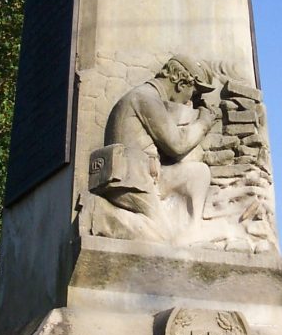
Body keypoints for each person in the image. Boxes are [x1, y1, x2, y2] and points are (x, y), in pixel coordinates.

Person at [90, 55, 220, 239]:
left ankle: (194, 231)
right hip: (131, 181)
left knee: (199, 172)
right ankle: (101, 213)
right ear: (181, 84)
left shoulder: (150, 98)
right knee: (162, 238)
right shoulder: (145, 98)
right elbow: (177, 145)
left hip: (150, 175)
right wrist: (204, 122)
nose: (190, 99)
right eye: (194, 92)